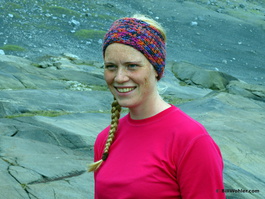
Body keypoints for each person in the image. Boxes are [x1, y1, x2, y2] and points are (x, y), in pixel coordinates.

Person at [89, 14, 225, 199]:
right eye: (111, 66)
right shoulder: (104, 140)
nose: (119, 77)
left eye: (132, 66)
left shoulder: (192, 141)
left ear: (156, 69)